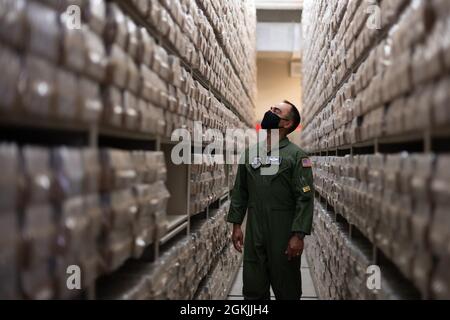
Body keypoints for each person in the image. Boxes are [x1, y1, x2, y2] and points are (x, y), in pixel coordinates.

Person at [227, 100, 314, 300]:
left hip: (283, 230)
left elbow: (305, 198)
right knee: (253, 284)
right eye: (270, 109)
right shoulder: (250, 153)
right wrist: (236, 225)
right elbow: (240, 191)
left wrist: (298, 236)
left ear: (287, 124)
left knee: (287, 287)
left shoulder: (297, 156)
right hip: (255, 226)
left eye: (276, 111)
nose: (270, 112)